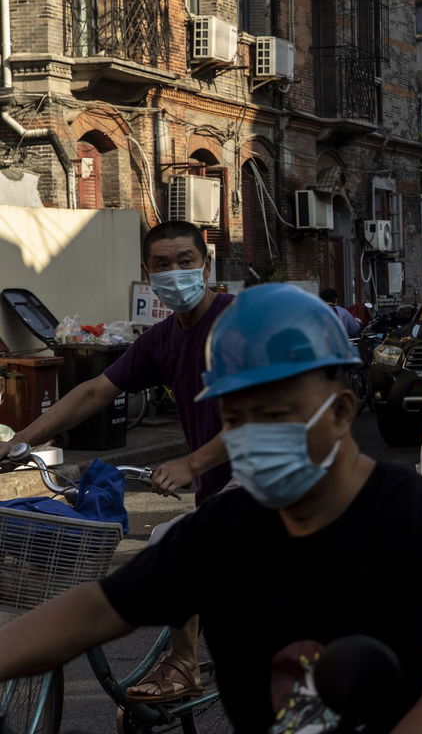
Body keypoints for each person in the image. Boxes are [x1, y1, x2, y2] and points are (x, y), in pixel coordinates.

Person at [0, 284, 422, 733]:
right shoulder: (224, 531)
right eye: (236, 416)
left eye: (275, 413)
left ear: (339, 411)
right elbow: (98, 608)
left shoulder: (419, 524)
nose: (253, 432)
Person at [0, 219, 233, 703]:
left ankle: (184, 665)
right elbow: (93, 392)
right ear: (147, 273)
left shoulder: (240, 325)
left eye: (185, 262)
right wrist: (18, 441)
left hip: (266, 482)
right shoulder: (161, 340)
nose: (175, 274)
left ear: (206, 266)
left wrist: (191, 464)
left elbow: (271, 416)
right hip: (215, 491)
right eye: (162, 265)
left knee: (175, 543)